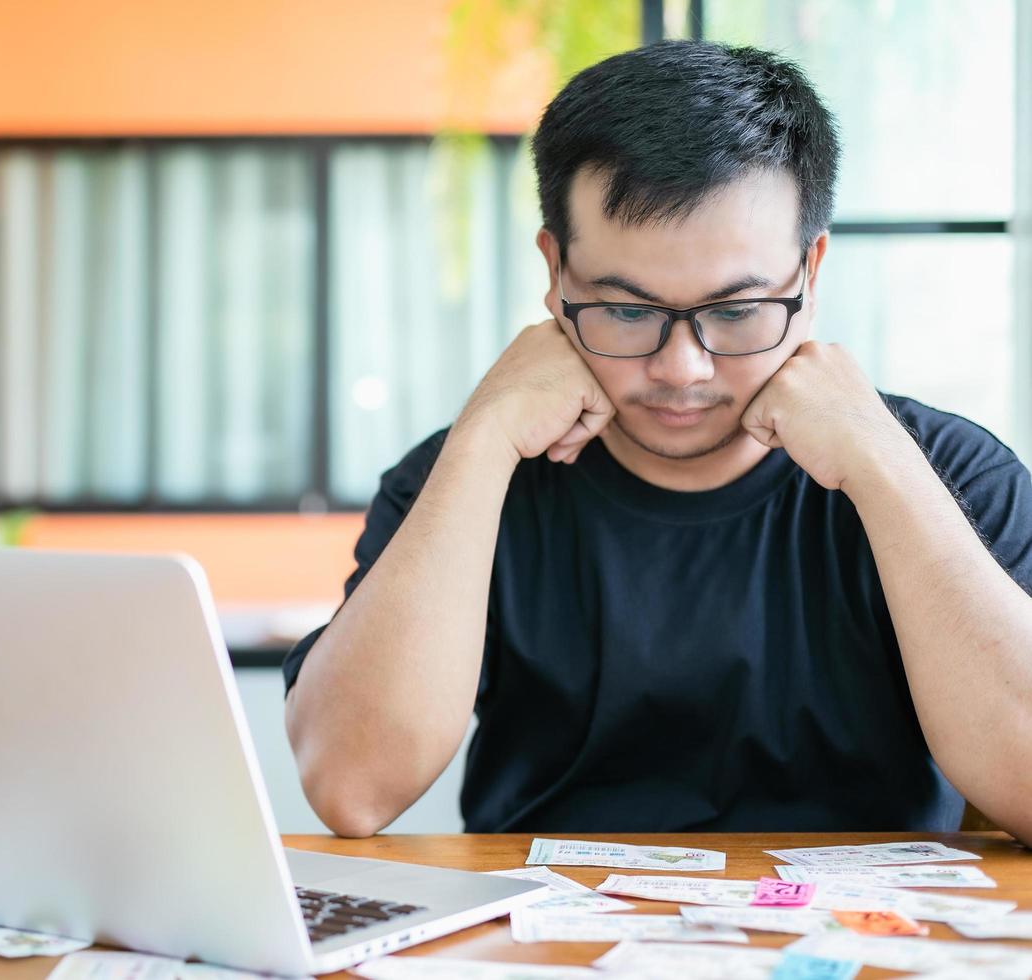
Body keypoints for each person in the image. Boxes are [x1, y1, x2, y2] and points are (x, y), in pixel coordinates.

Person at [283, 40, 1032, 841]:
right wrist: (484, 436)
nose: (683, 368)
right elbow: (350, 787)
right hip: (543, 953)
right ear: (556, 271)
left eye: (738, 311)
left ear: (810, 274)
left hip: (870, 948)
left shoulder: (949, 472)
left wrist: (882, 466)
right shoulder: (466, 476)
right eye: (628, 312)